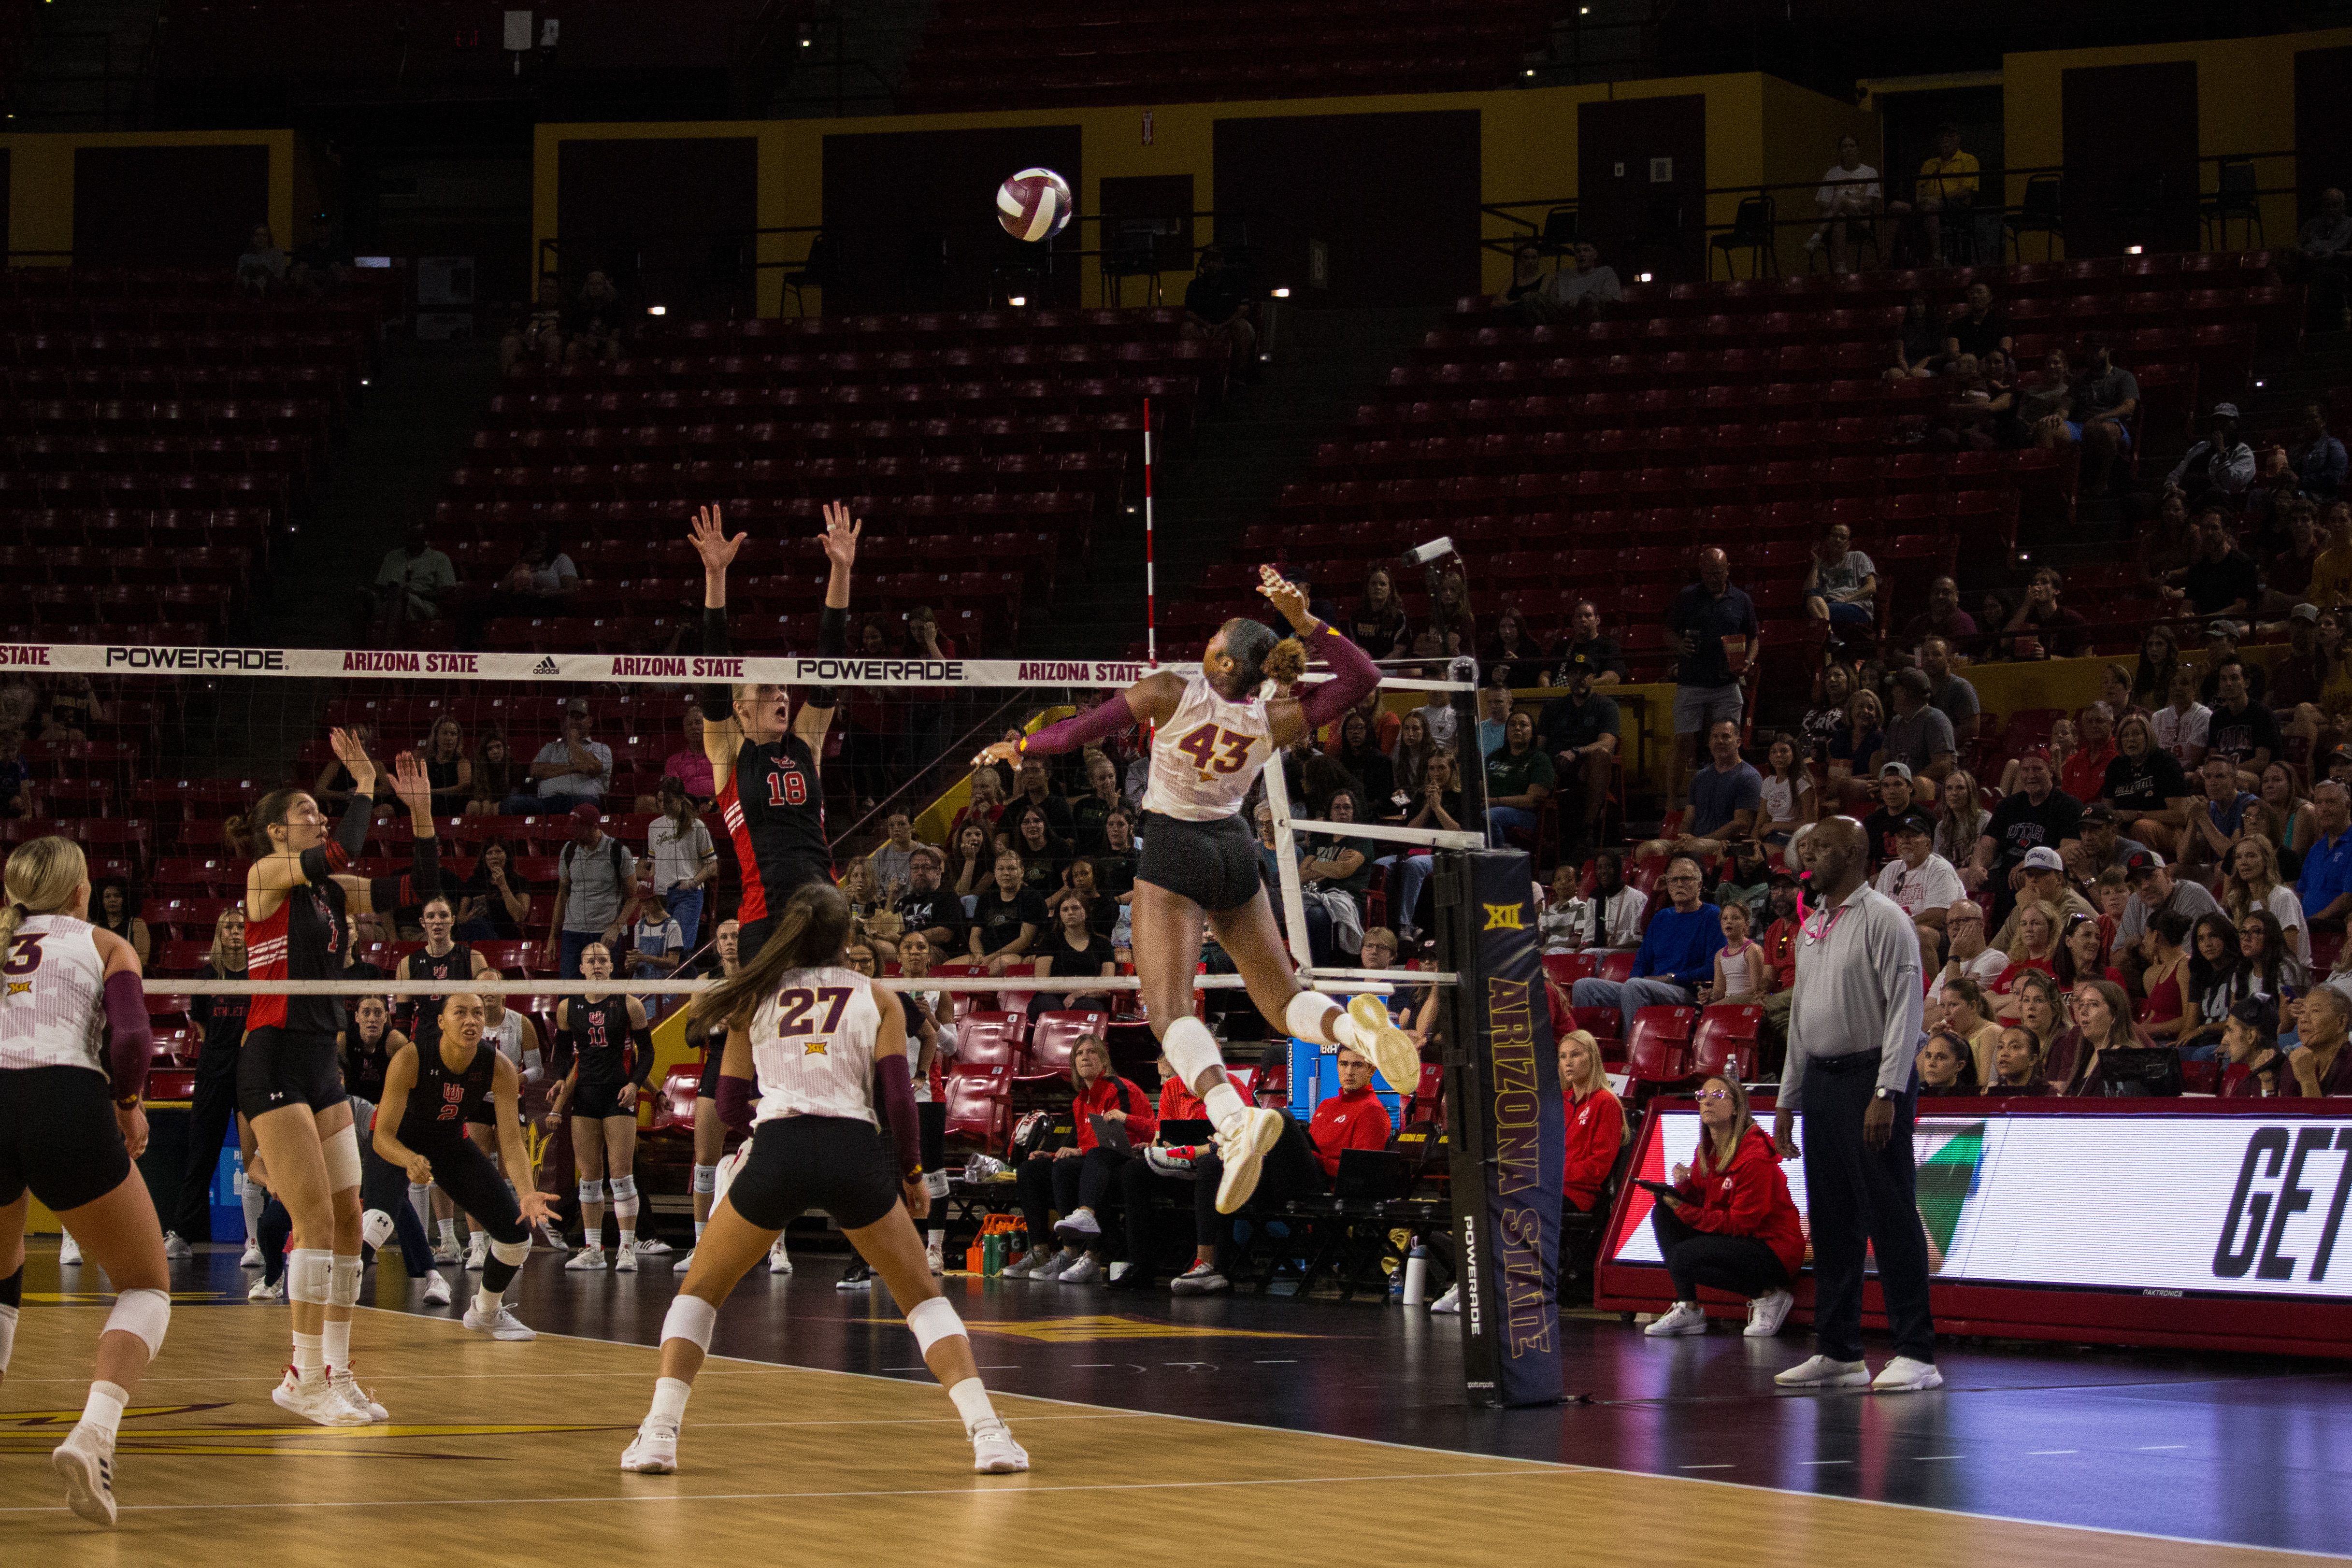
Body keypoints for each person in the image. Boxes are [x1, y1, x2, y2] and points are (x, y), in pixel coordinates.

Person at [972, 566, 1415, 1219]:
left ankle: (1233, 1118)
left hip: (1174, 847)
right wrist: (1305, 622)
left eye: (1213, 639)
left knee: (1170, 1012)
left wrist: (1019, 746)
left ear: (1223, 661)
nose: (1203, 643)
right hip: (1234, 847)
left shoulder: (1167, 693)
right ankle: (1355, 1030)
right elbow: (1363, 678)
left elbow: (1075, 733)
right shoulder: (1275, 718)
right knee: (1282, 998)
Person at [621, 882, 1027, 1476]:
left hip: (779, 1149)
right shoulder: (879, 997)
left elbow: (728, 1103)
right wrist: (912, 1173)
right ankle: (987, 1435)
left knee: (699, 1294)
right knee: (922, 1300)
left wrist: (767, 1128)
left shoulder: (755, 995)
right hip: (852, 1153)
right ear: (847, 939)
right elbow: (900, 1100)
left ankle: (659, 1434)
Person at [231, 733, 438, 1427]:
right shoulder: (266, 874)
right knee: (314, 1219)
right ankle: (300, 1375)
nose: (317, 817)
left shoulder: (326, 891)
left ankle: (337, 1372)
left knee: (349, 1218)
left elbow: (418, 890)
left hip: (322, 1058)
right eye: (304, 811)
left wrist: (422, 814)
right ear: (275, 829)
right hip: (273, 1055)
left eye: (320, 810)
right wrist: (365, 786)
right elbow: (340, 850)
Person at [0, 837, 175, 1526]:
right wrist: (128, 1105)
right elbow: (131, 1040)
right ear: (81, 892)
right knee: (145, 1284)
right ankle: (94, 1434)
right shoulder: (105, 942)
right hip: (63, 1099)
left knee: (2, 1275)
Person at [1772, 817, 1938, 1393]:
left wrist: (1887, 1091)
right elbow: (1800, 1018)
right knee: (1831, 1221)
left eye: (1819, 847)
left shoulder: (1886, 919)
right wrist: (1788, 1098)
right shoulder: (1812, 926)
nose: (1807, 856)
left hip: (1870, 1079)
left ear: (1851, 852)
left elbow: (1905, 1010)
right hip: (1820, 1080)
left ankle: (1915, 1352)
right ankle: (1838, 1352)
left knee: (1889, 1215)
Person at [688, 501, 859, 961]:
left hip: (825, 908)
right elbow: (714, 673)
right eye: (767, 689)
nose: (782, 695)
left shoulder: (805, 743)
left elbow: (829, 665)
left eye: (784, 688)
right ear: (741, 708)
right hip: (765, 914)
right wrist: (716, 576)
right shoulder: (730, 750)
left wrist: (841, 570)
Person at [372, 993, 555, 1340]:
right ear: (441, 1022)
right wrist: (409, 1160)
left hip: (449, 1144)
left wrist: (528, 1193)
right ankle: (328, 1328)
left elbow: (511, 1142)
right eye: (460, 1013)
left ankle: (485, 1312)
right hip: (398, 1144)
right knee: (374, 1225)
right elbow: (382, 1136)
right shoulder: (412, 1057)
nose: (471, 1021)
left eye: (478, 1013)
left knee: (517, 1238)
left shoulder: (499, 1066)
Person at [1168, 1043, 1396, 1296]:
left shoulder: (1372, 1111)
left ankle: (1223, 1145)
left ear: (1372, 1070)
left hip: (1323, 1190)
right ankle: (1211, 1267)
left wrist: (1315, 1159)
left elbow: (1360, 1174)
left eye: (1358, 1065)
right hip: (1286, 1181)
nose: (1350, 1071)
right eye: (1344, 1064)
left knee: (1282, 1119)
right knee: (1213, 1166)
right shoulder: (1326, 1106)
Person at [1644, 1076, 1805, 1340]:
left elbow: (1741, 1224)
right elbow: (1705, 1202)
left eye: (1718, 1096)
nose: (1707, 1101)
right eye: (1702, 1096)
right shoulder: (1707, 1150)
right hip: (1737, 1239)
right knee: (1663, 1212)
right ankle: (1689, 1308)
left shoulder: (1754, 1157)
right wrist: (1683, 1189)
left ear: (1736, 1108)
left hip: (1772, 1249)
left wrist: (1684, 1210)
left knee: (1683, 1255)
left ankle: (1768, 1296)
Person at [1007, 1035, 1156, 1283]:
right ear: (1074, 1064)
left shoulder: (1120, 1089)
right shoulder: (1080, 1101)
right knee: (1031, 1170)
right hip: (1096, 1160)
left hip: (1127, 1160)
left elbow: (1128, 1138)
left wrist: (1080, 1152)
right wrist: (1052, 1154)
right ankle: (1041, 1251)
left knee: (1077, 1165)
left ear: (1104, 1060)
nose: (1085, 1057)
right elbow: (1085, 1145)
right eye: (1079, 1053)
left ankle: (1087, 1253)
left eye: (1092, 1052)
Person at [546, 942, 655, 1270]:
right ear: (581, 968)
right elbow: (562, 1052)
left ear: (611, 967)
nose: (596, 965)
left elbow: (647, 1053)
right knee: (590, 1178)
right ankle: (593, 1248)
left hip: (617, 1094)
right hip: (585, 1096)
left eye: (603, 960)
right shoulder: (568, 1007)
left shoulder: (629, 1004)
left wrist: (634, 1084)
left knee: (621, 1175)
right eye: (590, 960)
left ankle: (627, 1248)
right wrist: (560, 1079)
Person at [1570, 856, 1724, 1037]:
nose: (1679, 884)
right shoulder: (1662, 917)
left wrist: (1671, 978)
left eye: (1686, 879)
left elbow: (1713, 969)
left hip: (1687, 990)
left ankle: (1632, 1048)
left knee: (1635, 987)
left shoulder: (1713, 916)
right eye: (1674, 880)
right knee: (1584, 986)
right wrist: (1636, 981)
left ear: (1699, 885)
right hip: (1650, 988)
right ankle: (1589, 1048)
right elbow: (1642, 961)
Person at [1664, 549, 1758, 806]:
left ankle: (1732, 798)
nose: (1713, 578)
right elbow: (1668, 633)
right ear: (1701, 572)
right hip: (1692, 681)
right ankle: (1671, 803)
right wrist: (1679, 646)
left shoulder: (1741, 600)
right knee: (1683, 741)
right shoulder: (1687, 597)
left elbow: (1754, 639)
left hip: (1726, 683)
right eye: (1708, 574)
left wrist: (1748, 662)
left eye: (1718, 573)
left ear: (1727, 570)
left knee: (1729, 740)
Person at [544, 804, 636, 980]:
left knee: (604, 989)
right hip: (572, 932)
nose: (575, 836)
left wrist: (616, 929)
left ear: (595, 827)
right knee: (569, 989)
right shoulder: (569, 850)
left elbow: (633, 897)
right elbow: (562, 894)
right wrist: (553, 936)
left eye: (579, 831)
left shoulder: (618, 852)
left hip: (605, 933)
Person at [1875, 811, 1965, 958]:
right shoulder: (1891, 870)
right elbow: (1877, 912)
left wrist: (1898, 929)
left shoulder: (1939, 868)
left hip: (1945, 937)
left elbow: (1938, 917)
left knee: (1921, 934)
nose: (1906, 840)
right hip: (1899, 934)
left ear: (1928, 844)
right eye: (1901, 836)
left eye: (1912, 836)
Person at [505, 698, 612, 816]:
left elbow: (589, 768)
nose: (575, 721)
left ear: (590, 722)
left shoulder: (601, 748)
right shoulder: (551, 747)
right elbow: (535, 771)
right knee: (511, 803)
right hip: (546, 802)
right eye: (572, 717)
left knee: (585, 807)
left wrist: (573, 742)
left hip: (581, 801)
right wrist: (573, 768)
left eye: (580, 718)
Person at [647, 777, 717, 955]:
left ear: (680, 799)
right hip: (661, 896)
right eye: (660, 801)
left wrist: (693, 883)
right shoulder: (654, 827)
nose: (663, 805)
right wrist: (649, 897)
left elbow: (712, 865)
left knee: (679, 949)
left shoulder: (697, 826)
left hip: (688, 895)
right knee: (661, 950)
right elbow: (654, 866)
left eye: (668, 801)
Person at [1558, 1030, 1623, 1216]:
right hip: (1550, 1186)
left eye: (1575, 1055)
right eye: (1563, 1057)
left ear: (1593, 1058)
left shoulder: (1605, 1102)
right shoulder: (1560, 1100)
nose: (1568, 1062)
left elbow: (1599, 1166)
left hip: (1578, 1195)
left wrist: (1557, 1172)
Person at [1029, 891, 1117, 1020]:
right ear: (1060, 915)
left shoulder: (1103, 944)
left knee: (1089, 1008)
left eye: (1076, 908)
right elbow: (1042, 983)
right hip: (1050, 996)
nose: (1070, 913)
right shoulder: (1049, 941)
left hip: (1087, 996)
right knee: (1050, 1008)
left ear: (1086, 912)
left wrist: (1079, 993)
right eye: (1065, 910)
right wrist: (1072, 990)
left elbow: (1106, 987)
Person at [1807, 134, 1882, 273]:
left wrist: (1846, 203)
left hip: (1860, 219)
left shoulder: (1869, 172)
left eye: (1852, 146)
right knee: (1840, 217)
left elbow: (1868, 204)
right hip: (1837, 219)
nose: (1848, 150)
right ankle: (1841, 266)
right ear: (1840, 151)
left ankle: (1817, 235)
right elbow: (1822, 202)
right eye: (1844, 147)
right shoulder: (1832, 174)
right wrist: (1841, 207)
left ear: (1858, 149)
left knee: (1841, 198)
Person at [1484, 709, 1553, 844]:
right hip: (1489, 806)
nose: (1517, 728)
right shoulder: (1494, 756)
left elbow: (1531, 801)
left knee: (1487, 817)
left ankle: (1499, 855)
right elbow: (1481, 786)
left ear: (1532, 733)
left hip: (1524, 814)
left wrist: (1495, 801)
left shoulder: (1540, 760)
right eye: (1512, 725)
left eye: (1523, 725)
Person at [1803, 523, 1877, 630]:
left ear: (1849, 543)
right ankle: (1828, 632)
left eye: (1843, 538)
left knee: (1816, 611)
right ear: (1828, 540)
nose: (1838, 540)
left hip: (1855, 607)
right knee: (1812, 600)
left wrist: (1845, 599)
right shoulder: (1822, 566)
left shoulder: (1858, 557)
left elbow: (1872, 587)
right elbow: (1809, 592)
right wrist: (1816, 565)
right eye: (1834, 536)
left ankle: (1826, 632)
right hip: (1827, 605)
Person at [2288, 982, 2352, 1096]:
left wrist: (2308, 1079)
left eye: (2315, 1011)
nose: (2303, 1019)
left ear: (2341, 1022)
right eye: (2302, 1012)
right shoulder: (2293, 1063)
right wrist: (2267, 1084)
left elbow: (2339, 1109)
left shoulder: (2349, 1065)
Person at [2220, 997, 2291, 1098]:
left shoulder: (2288, 1076)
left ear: (2251, 1036)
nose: (2224, 1041)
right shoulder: (2247, 1081)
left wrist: (2268, 1083)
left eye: (2230, 1030)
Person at [1707, 900, 1767, 1001]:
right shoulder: (1719, 955)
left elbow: (1757, 988)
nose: (1729, 922)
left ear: (1746, 924)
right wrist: (1709, 995)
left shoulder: (1752, 951)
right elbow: (1719, 991)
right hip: (1728, 1003)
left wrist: (1733, 999)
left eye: (1735, 918)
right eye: (1725, 918)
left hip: (1746, 1003)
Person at [1985, 1025, 2052, 1096]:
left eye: (2014, 1047)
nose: (2004, 1053)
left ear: (2032, 1059)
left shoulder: (2049, 1095)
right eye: (2000, 1047)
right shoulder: (1992, 1096)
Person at [1915, 1031, 1974, 1096]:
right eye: (1928, 1056)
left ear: (1959, 1066)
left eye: (1940, 1058)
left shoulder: (1970, 1098)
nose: (1931, 1064)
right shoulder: (1914, 1093)